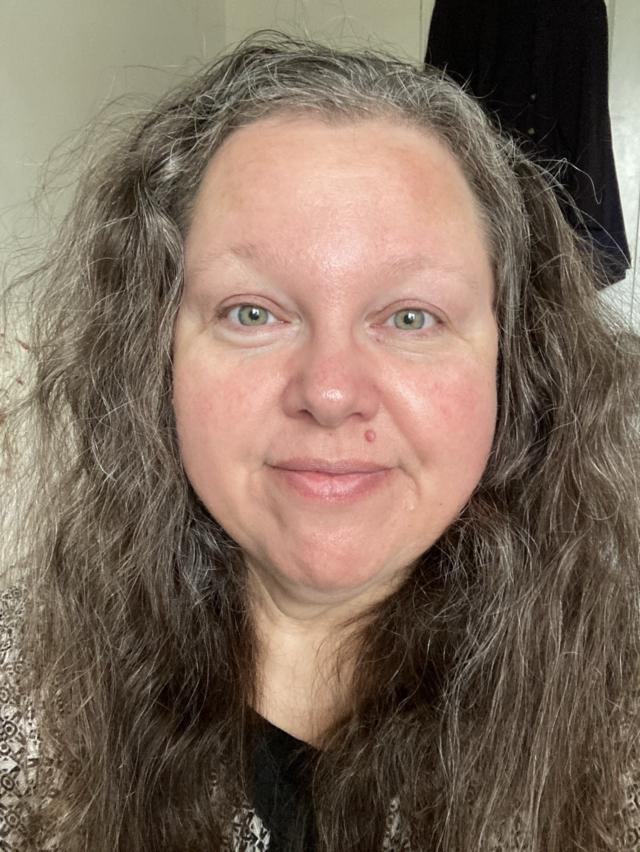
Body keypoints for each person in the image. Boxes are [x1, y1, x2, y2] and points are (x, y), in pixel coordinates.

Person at [0, 32, 638, 852]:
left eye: (411, 317)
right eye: (252, 313)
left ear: (517, 362)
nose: (331, 393)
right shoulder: (22, 684)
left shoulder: (618, 720)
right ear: (152, 355)